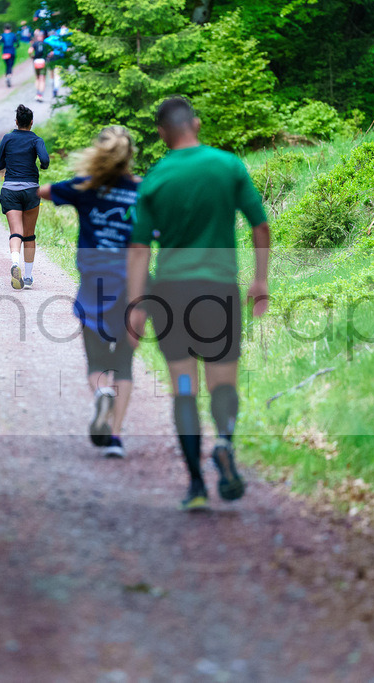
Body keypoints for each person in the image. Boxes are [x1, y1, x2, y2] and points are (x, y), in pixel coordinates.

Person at [126, 97, 271, 511]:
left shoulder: (155, 177)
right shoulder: (228, 166)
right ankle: (224, 441)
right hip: (218, 291)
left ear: (161, 133)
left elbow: (139, 247)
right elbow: (260, 225)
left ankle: (195, 486)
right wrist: (260, 280)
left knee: (184, 388)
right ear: (197, 124)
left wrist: (136, 304)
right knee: (223, 382)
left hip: (170, 294)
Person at [38, 126, 140, 458]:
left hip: (93, 286)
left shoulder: (85, 187)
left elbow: (44, 191)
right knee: (123, 364)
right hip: (130, 286)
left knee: (95, 362)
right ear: (130, 156)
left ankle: (101, 394)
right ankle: (116, 437)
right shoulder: (142, 191)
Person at [0, 104, 49, 290]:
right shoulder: (36, 140)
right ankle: (28, 277)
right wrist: (42, 166)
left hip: (10, 190)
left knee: (16, 232)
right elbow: (45, 160)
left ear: (16, 121)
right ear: (31, 122)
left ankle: (15, 263)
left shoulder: (8, 138)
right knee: (29, 234)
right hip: (31, 190)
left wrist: (11, 160)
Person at [43, 29, 69, 98]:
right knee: (57, 74)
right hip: (59, 58)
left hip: (50, 59)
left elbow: (44, 50)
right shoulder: (60, 40)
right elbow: (64, 49)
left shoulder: (46, 40)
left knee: (51, 74)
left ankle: (53, 87)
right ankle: (56, 88)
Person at [28, 30, 49, 102]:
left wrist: (31, 56)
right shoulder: (45, 44)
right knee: (42, 79)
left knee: (37, 78)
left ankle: (37, 93)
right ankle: (40, 95)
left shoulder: (35, 44)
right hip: (43, 61)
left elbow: (30, 51)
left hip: (36, 61)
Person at [0, 23, 19, 88]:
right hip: (12, 52)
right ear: (10, 29)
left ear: (4, 29)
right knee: (10, 65)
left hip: (5, 53)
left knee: (7, 65)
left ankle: (7, 76)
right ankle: (9, 76)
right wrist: (15, 47)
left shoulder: (2, 35)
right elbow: (17, 43)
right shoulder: (13, 35)